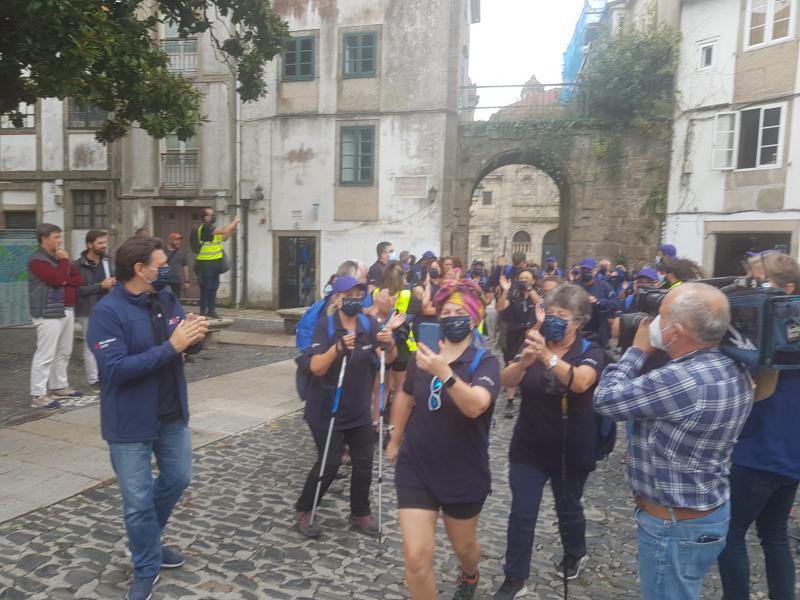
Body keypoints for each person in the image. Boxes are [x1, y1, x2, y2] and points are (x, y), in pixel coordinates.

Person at [593, 282, 753, 600]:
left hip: (673, 524)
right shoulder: (735, 366)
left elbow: (605, 399)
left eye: (660, 316)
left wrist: (637, 351)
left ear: (676, 332)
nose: (653, 323)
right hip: (708, 510)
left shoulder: (681, 380)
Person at [87, 235, 208, 600]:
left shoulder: (166, 297)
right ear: (140, 269)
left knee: (178, 478)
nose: (167, 270)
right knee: (137, 501)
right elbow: (116, 370)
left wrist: (194, 337)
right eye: (161, 265)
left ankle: (146, 542)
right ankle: (145, 566)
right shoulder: (107, 313)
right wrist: (172, 346)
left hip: (171, 414)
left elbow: (181, 342)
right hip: (129, 421)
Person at [387, 279, 501, 600]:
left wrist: (444, 372)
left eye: (460, 312)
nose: (452, 318)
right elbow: (406, 396)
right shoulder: (423, 356)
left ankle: (470, 572)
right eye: (446, 312)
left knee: (464, 548)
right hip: (417, 466)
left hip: (463, 471)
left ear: (475, 318)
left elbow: (475, 405)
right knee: (416, 558)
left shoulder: (485, 362)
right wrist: (394, 437)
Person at [493, 284, 605, 599]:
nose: (554, 320)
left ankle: (575, 552)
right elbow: (506, 381)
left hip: (571, 448)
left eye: (562, 316)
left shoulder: (590, 351)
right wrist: (524, 362)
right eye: (551, 313)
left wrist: (547, 357)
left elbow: (581, 382)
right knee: (522, 512)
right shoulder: (534, 341)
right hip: (528, 446)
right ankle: (515, 577)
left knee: (567, 507)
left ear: (578, 322)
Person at [717, 252, 800, 600]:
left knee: (730, 532)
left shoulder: (777, 329)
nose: (750, 288)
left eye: (759, 282)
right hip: (789, 453)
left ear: (788, 288)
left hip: (760, 451)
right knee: (774, 535)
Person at [295, 276, 400, 538]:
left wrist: (389, 343)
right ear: (337, 298)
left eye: (358, 296)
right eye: (348, 296)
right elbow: (317, 367)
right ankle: (305, 509)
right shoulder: (326, 325)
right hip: (326, 410)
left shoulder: (368, 324)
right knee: (329, 464)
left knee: (364, 463)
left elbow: (388, 360)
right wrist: (338, 348)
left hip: (358, 409)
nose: (354, 300)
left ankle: (360, 512)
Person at [28, 224, 84, 409]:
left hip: (63, 309)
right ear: (44, 239)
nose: (59, 241)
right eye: (56, 237)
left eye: (60, 237)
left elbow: (78, 279)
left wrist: (64, 272)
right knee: (45, 355)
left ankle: (58, 386)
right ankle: (38, 394)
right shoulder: (38, 260)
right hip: (46, 312)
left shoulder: (56, 259)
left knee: (64, 351)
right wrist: (64, 262)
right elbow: (58, 279)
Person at [496, 269, 542, 419]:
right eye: (521, 278)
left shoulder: (537, 293)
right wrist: (505, 291)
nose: (523, 280)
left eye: (526, 278)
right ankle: (510, 402)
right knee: (512, 364)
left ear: (533, 280)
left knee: (530, 364)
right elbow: (500, 307)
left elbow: (541, 306)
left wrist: (529, 289)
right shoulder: (514, 294)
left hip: (531, 333)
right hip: (513, 333)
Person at [74, 230, 116, 394]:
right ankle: (94, 380)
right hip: (88, 309)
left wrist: (114, 282)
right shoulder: (78, 265)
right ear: (90, 245)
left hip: (108, 309)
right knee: (90, 345)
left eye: (105, 242)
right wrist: (100, 286)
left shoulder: (108, 260)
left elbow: (114, 279)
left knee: (109, 342)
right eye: (100, 243)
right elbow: (78, 290)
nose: (104, 246)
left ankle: (106, 374)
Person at [192, 207, 240, 318]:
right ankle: (203, 312)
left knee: (214, 287)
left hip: (215, 263)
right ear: (204, 217)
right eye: (210, 215)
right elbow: (224, 231)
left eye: (213, 214)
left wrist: (233, 228)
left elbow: (224, 237)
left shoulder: (212, 229)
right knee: (206, 288)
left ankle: (211, 311)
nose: (213, 216)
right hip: (205, 264)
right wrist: (234, 221)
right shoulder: (204, 228)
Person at [575, 257, 620, 347]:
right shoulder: (575, 286)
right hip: (580, 327)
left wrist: (598, 302)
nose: (586, 272)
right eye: (584, 270)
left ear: (595, 271)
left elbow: (616, 303)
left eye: (589, 270)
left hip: (600, 329)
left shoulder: (603, 285)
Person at [164, 233, 190, 299]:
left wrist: (186, 281)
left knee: (175, 301)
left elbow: (185, 267)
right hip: (164, 282)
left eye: (179, 240)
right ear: (170, 240)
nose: (178, 242)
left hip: (176, 281)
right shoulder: (162, 251)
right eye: (176, 240)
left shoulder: (181, 253)